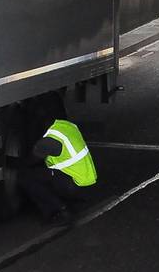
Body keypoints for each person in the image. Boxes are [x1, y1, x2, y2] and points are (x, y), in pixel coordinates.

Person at [12, 91, 97, 226]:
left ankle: (60, 211)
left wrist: (9, 163)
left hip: (75, 185)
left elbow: (28, 162)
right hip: (87, 182)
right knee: (44, 173)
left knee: (25, 177)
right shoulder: (66, 126)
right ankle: (71, 202)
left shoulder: (49, 140)